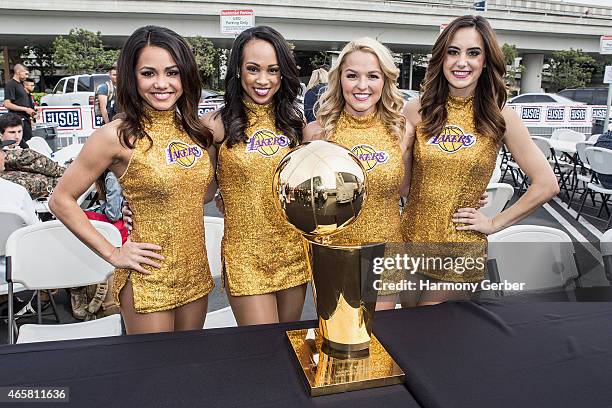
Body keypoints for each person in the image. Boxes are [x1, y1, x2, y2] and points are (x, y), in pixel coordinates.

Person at [49, 25, 218, 334]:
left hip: (195, 271)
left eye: (172, 72)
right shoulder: (115, 136)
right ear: (131, 76)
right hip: (147, 275)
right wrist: (113, 252)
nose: (162, 84)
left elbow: (201, 195)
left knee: (188, 367)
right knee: (154, 376)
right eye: (148, 73)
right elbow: (60, 200)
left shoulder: (196, 131)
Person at [400, 15, 559, 306]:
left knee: (428, 327)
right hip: (410, 241)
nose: (462, 62)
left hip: (461, 248)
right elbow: (403, 187)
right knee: (411, 337)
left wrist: (495, 223)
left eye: (473, 53)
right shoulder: (416, 110)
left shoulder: (500, 115)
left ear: (485, 61)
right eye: (453, 52)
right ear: (441, 58)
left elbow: (546, 184)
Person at [202, 26, 310, 326]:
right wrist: (136, 206)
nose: (263, 80)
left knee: (289, 345)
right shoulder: (215, 125)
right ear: (238, 70)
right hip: (245, 256)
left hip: (292, 251)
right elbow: (200, 190)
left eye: (273, 70)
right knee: (264, 349)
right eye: (253, 69)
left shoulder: (295, 123)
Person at [303, 38, 411, 310]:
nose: (362, 86)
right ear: (339, 80)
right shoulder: (317, 132)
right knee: (339, 345)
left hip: (386, 252)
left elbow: (408, 189)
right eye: (352, 76)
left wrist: (469, 197)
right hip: (333, 254)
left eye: (373, 76)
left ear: (385, 81)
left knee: (379, 341)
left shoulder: (402, 130)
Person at [0, 112, 64, 199]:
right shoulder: (19, 155)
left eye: (19, 131)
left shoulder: (22, 146)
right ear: (0, 134)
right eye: (12, 132)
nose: (17, 136)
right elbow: (35, 161)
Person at [3, 64, 34, 148]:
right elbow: (7, 104)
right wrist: (25, 109)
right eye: (25, 73)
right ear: (18, 72)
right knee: (25, 145)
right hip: (18, 119)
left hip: (25, 119)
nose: (26, 76)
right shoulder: (10, 84)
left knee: (29, 141)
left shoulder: (20, 85)